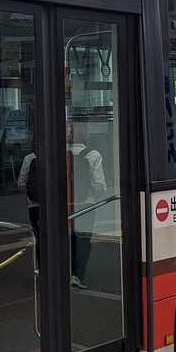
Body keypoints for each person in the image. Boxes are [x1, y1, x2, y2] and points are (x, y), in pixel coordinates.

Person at [68, 120, 107, 289]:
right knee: (83, 240)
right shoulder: (93, 155)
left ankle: (66, 271)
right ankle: (79, 276)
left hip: (67, 204)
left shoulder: (64, 153)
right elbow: (99, 185)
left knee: (69, 239)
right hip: (86, 205)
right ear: (86, 137)